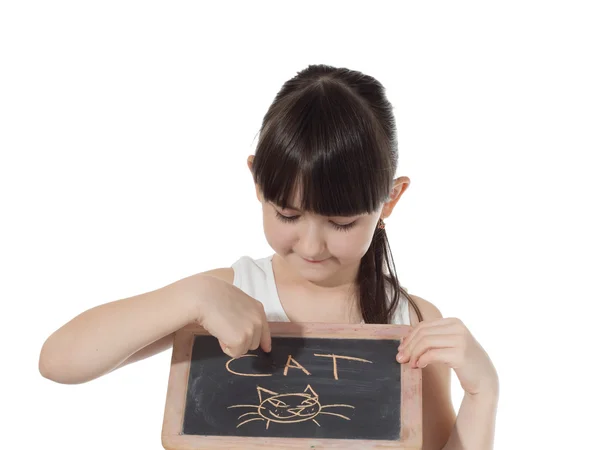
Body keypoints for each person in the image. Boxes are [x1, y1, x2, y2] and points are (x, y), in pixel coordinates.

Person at [39, 64, 499, 449]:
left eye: (341, 223)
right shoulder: (225, 296)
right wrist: (190, 296)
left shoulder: (412, 322)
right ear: (258, 181)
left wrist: (483, 392)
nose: (312, 245)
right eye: (288, 214)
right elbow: (58, 361)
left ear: (389, 201)